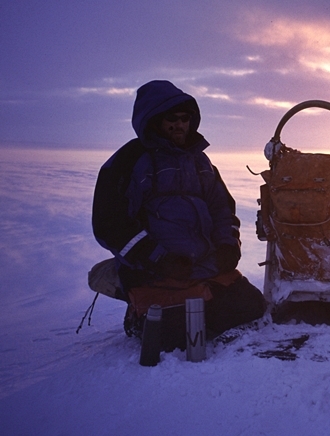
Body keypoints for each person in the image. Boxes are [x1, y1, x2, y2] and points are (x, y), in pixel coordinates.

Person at [92, 80, 267, 351]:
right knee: (171, 338)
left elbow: (223, 209)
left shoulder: (201, 162)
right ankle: (135, 311)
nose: (179, 125)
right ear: (153, 120)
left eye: (184, 118)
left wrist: (227, 246)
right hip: (155, 270)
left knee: (252, 307)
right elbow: (109, 224)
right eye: (170, 119)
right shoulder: (130, 161)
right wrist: (159, 258)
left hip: (204, 266)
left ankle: (196, 303)